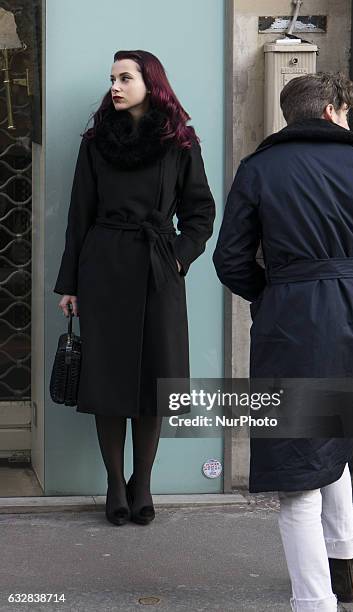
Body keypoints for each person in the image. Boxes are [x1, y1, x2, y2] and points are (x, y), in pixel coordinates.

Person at [213, 72, 353, 610]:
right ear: (331, 111)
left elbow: (229, 260)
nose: (350, 120)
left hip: (292, 319)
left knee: (296, 466)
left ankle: (314, 602)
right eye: (348, 111)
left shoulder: (259, 169)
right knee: (334, 434)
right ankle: (341, 567)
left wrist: (275, 295)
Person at [53, 49, 215, 527]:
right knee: (106, 379)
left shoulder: (180, 142)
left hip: (158, 269)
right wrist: (70, 283)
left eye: (126, 77)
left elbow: (201, 212)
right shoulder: (95, 143)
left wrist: (179, 258)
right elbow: (77, 215)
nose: (116, 87)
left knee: (154, 380)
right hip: (103, 267)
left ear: (151, 82)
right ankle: (114, 484)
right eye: (112, 78)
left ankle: (141, 482)